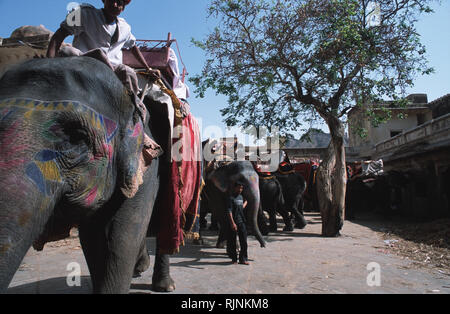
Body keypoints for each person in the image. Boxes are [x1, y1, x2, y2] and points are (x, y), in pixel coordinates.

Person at [46, 0, 160, 96]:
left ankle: (134, 109)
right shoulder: (84, 14)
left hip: (112, 71)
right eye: (112, 0)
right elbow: (58, 36)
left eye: (119, 2)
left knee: (128, 72)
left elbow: (133, 47)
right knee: (68, 51)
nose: (115, 4)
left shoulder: (125, 27)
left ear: (123, 8)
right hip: (85, 61)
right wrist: (48, 64)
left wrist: (148, 68)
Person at [225, 181, 250, 265]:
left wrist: (246, 202)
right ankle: (234, 259)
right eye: (239, 187)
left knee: (244, 241)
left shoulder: (241, 197)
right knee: (232, 242)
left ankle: (243, 258)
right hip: (233, 222)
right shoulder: (230, 198)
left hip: (241, 222)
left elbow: (241, 207)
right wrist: (232, 223)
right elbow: (229, 211)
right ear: (235, 188)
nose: (240, 189)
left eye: (241, 188)